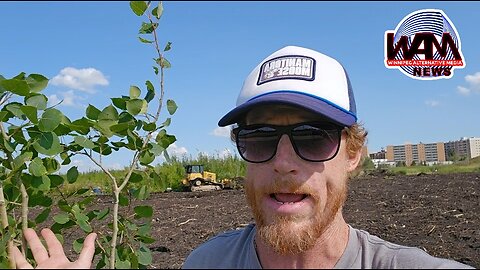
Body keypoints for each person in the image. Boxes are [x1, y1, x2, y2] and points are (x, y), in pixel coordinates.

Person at [12, 46, 474, 269]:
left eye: (313, 137)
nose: (284, 162)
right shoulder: (205, 264)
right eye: (259, 138)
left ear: (353, 152)